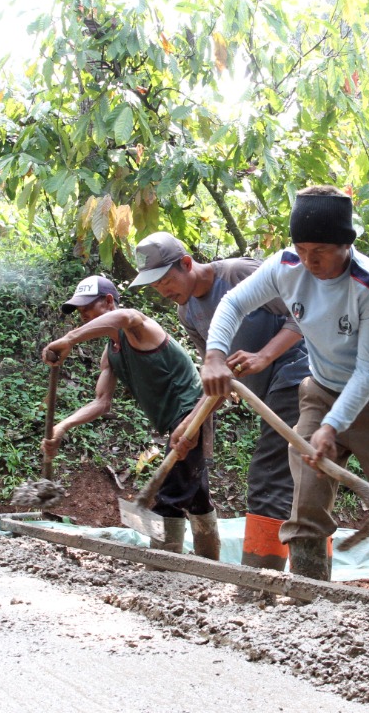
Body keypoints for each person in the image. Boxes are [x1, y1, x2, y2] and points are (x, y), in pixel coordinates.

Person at [199, 186, 369, 602]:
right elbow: (233, 303)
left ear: (345, 245)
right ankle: (309, 608)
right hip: (319, 392)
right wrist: (214, 355)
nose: (308, 260)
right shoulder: (285, 266)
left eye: (319, 250)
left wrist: (334, 427)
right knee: (306, 509)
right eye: (301, 248)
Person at [131, 231, 310, 571]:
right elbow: (217, 378)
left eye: (167, 280)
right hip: (264, 389)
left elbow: (305, 311)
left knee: (268, 472)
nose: (165, 292)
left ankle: (260, 577)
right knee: (296, 476)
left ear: (186, 263)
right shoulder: (189, 313)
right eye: (156, 287)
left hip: (299, 374)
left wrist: (264, 356)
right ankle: (298, 570)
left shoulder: (236, 273)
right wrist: (191, 423)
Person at [41, 275, 221, 559]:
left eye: (88, 309)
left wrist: (69, 340)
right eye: (80, 312)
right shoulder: (111, 353)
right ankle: (212, 564)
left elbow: (127, 315)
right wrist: (62, 427)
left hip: (193, 413)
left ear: (109, 301)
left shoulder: (140, 329)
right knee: (195, 493)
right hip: (173, 420)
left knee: (169, 494)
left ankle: (162, 569)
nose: (83, 316)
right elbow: (102, 402)